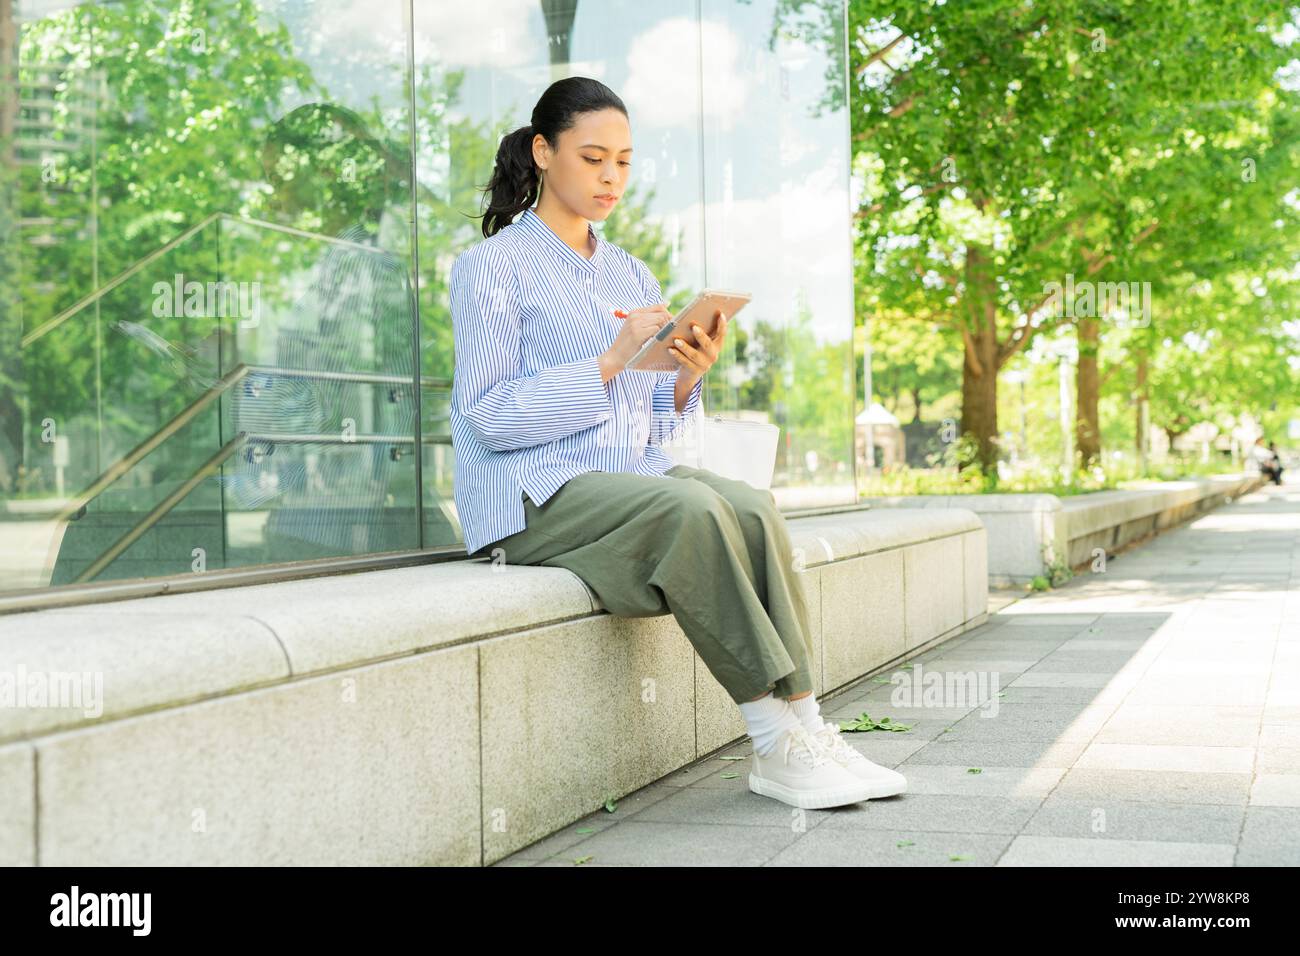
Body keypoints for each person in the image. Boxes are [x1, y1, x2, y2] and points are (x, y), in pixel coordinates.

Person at [448, 76, 905, 809]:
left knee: (751, 506)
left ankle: (810, 728)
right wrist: (606, 360)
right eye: (593, 158)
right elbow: (488, 415)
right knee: (691, 513)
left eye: (623, 162)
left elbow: (650, 425)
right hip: (529, 492)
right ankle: (772, 740)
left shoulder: (630, 271)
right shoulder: (491, 269)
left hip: (623, 475)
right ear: (542, 152)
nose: (610, 178)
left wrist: (686, 378)